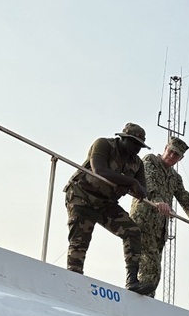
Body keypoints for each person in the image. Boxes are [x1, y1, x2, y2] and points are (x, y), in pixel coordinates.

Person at [64, 123, 157, 295]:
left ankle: (132, 281)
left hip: (106, 203)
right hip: (82, 196)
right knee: (80, 240)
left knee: (132, 231)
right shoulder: (104, 144)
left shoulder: (137, 163)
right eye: (134, 144)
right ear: (123, 139)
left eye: (140, 146)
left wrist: (130, 184)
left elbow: (143, 192)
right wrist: (128, 182)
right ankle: (73, 282)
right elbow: (100, 170)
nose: (137, 149)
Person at [129, 136, 189, 297]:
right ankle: (142, 298)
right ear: (165, 148)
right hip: (144, 220)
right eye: (171, 151)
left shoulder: (175, 177)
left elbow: (185, 198)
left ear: (181, 158)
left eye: (176, 155)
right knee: (150, 265)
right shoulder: (150, 160)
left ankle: (145, 298)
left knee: (152, 265)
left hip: (159, 227)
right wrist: (158, 201)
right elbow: (149, 182)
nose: (172, 156)